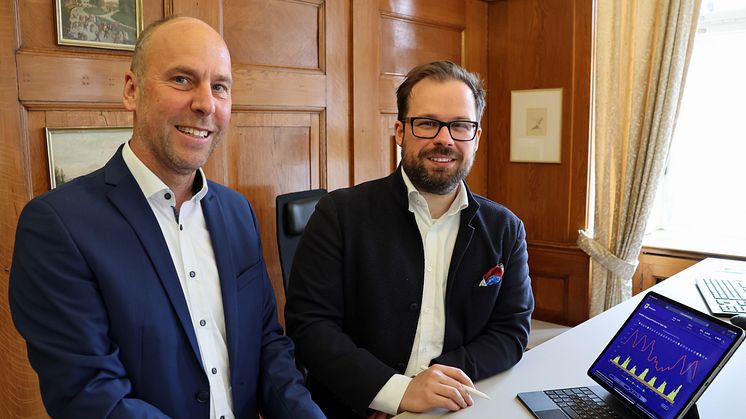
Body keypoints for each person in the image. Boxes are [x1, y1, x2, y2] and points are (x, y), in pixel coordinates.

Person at [9, 16, 324, 419]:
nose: (206, 103)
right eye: (182, 79)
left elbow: (266, 344)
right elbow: (91, 396)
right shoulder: (57, 225)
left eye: (220, 87)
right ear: (131, 91)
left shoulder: (236, 211)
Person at [285, 61, 535, 418]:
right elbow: (310, 326)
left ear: (476, 138)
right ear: (400, 131)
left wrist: (431, 385)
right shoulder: (339, 213)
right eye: (428, 123)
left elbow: (511, 332)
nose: (444, 139)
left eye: (460, 125)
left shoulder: (505, 229)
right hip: (355, 407)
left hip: (453, 406)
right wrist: (392, 391)